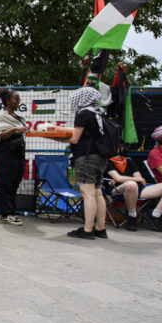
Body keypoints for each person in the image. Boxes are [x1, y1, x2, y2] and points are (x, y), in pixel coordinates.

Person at [55, 86, 109, 240]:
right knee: (98, 192)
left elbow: (74, 138)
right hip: (100, 157)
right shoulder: (100, 113)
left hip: (86, 157)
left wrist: (54, 136)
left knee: (88, 193)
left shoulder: (84, 113)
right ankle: (100, 228)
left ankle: (87, 229)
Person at [105, 147, 162, 232]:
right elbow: (119, 178)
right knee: (131, 185)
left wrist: (128, 179)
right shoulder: (108, 162)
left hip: (138, 189)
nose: (122, 150)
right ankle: (132, 216)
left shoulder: (129, 161)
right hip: (117, 190)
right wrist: (133, 179)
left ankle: (155, 215)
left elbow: (138, 177)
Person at [0, 88, 28, 225]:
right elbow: (0, 135)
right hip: (5, 153)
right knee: (6, 183)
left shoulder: (18, 118)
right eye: (16, 99)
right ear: (8, 101)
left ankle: (11, 212)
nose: (18, 101)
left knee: (15, 182)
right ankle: (6, 213)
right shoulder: (1, 115)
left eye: (19, 99)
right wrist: (14, 129)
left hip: (17, 152)